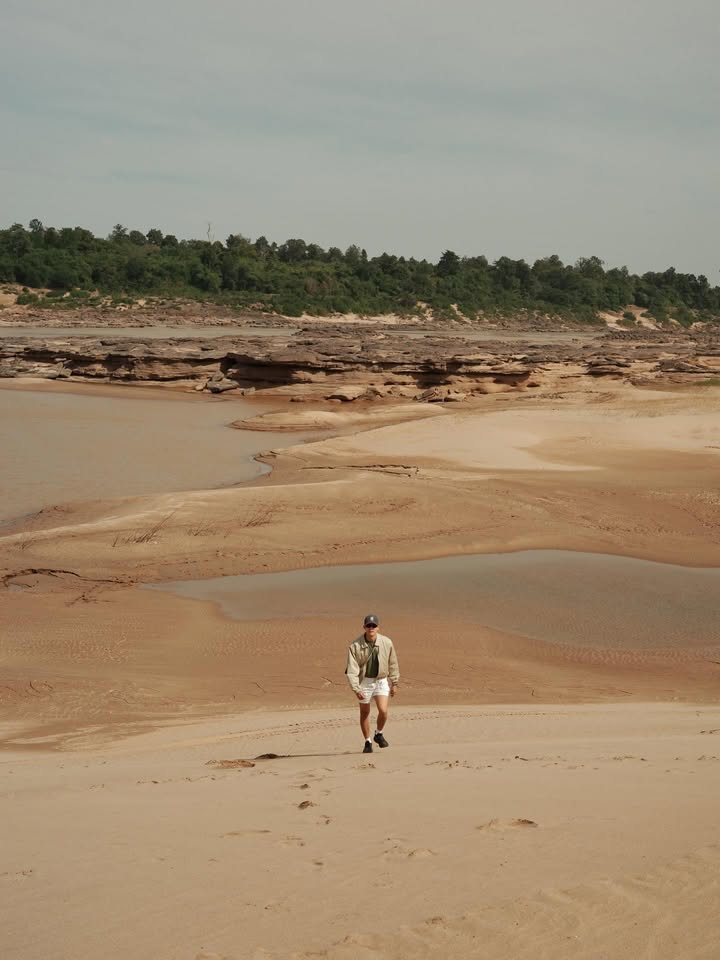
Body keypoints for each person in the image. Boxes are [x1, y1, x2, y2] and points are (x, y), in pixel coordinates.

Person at [345, 614, 400, 753]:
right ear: (364, 627)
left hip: (381, 680)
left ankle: (378, 733)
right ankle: (367, 741)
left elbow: (393, 663)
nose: (371, 628)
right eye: (368, 626)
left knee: (383, 711)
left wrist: (394, 682)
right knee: (365, 713)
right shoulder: (355, 646)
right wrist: (356, 689)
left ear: (378, 627)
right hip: (365, 681)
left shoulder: (387, 642)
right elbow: (352, 670)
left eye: (374, 626)